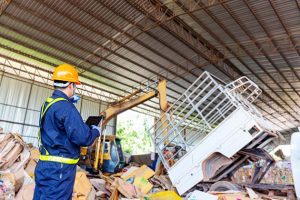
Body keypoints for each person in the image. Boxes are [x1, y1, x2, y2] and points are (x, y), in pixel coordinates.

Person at [33, 64, 101, 200]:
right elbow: (83, 138)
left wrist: (68, 103)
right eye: (75, 86)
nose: (75, 89)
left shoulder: (49, 103)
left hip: (45, 166)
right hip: (60, 171)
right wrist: (95, 131)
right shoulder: (66, 107)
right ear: (70, 85)